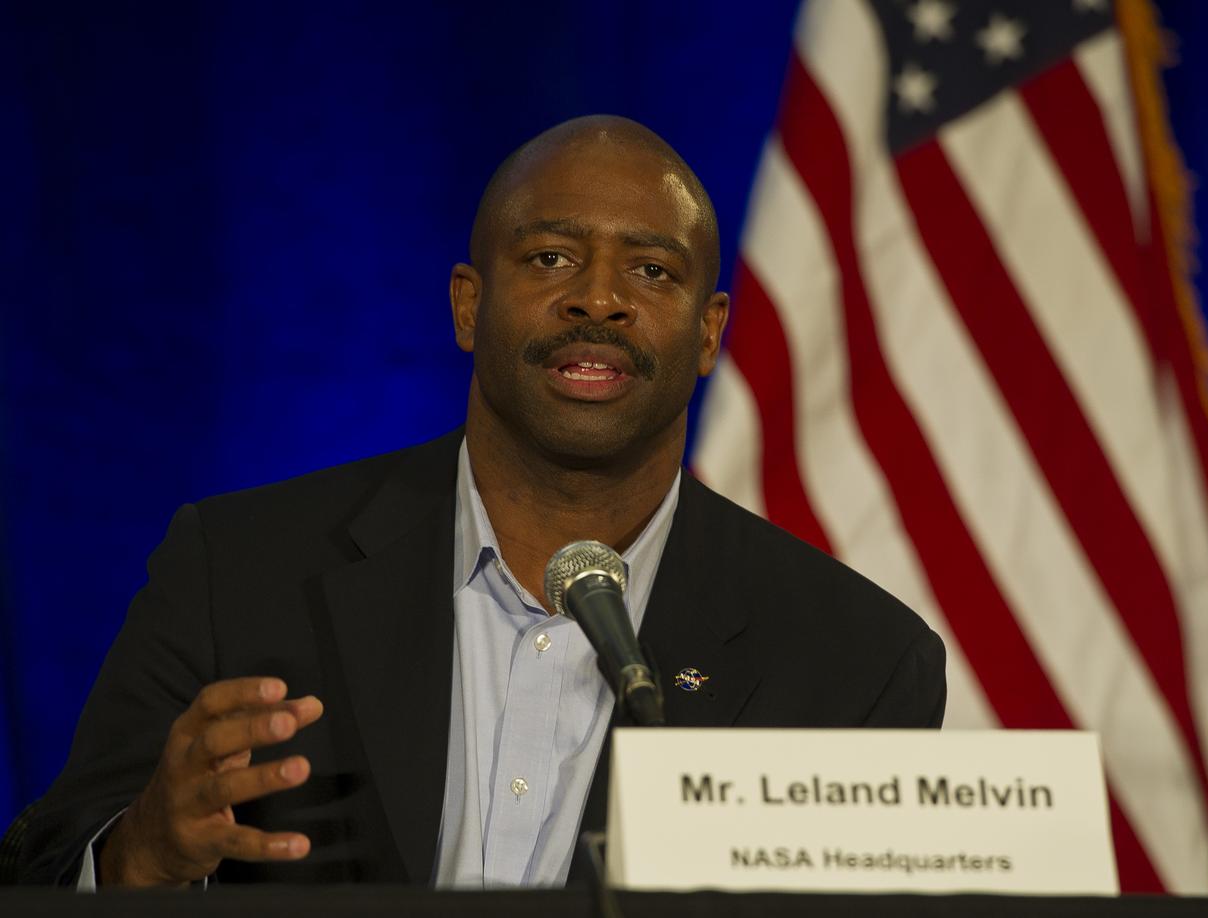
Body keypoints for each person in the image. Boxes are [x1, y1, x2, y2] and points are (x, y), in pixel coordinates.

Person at [18, 115, 946, 888]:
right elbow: (41, 873)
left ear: (710, 334)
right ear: (469, 306)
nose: (601, 299)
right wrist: (141, 854)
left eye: (652, 271)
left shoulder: (855, 664)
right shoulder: (240, 569)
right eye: (550, 258)